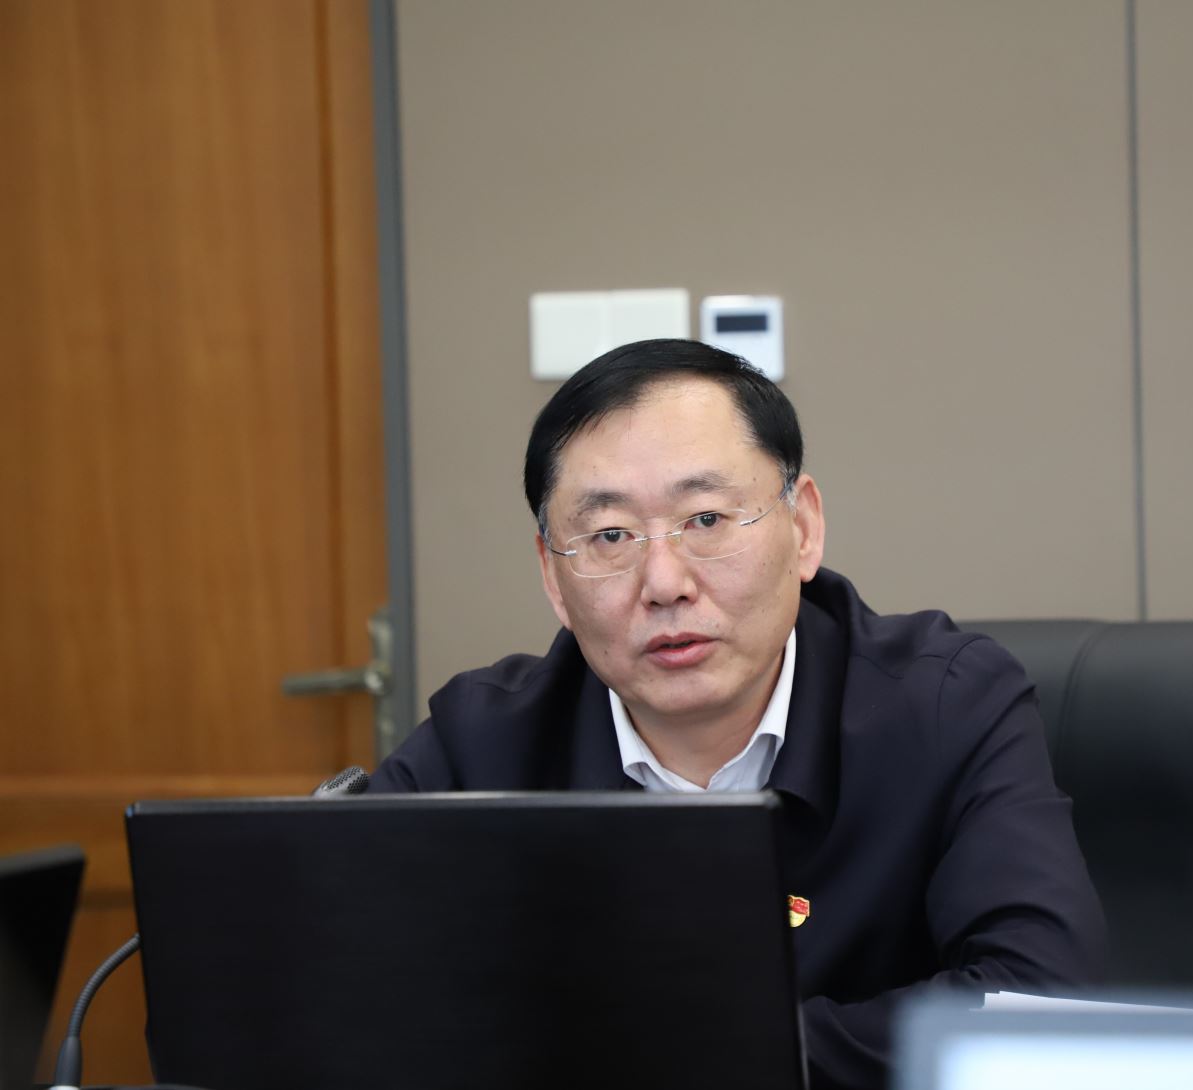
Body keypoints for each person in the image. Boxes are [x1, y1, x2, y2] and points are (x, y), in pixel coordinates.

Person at [367, 338, 1106, 1090]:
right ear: (554, 579)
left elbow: (1041, 1001)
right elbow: (345, 989)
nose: (665, 583)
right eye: (611, 535)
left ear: (803, 528)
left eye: (706, 519)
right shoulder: (480, 745)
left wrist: (696, 1056)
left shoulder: (948, 706)